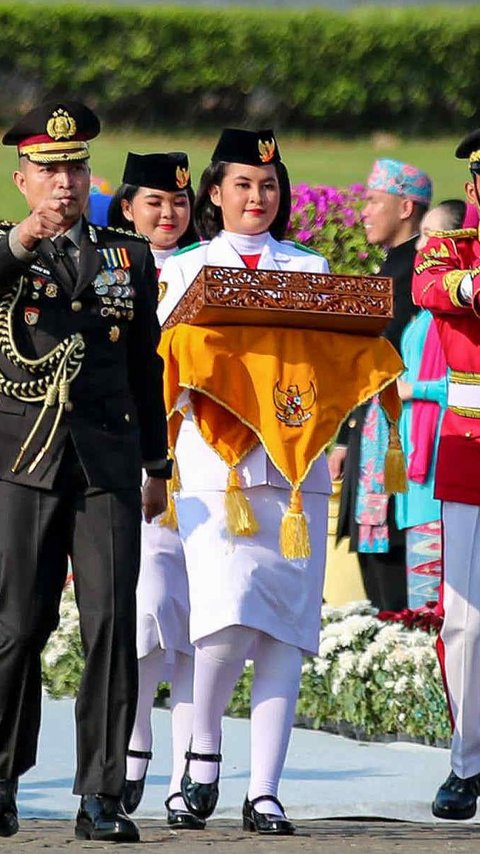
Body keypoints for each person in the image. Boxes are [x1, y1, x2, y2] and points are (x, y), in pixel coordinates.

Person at [0, 99, 171, 843]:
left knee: (110, 625)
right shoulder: (6, 251)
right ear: (21, 179)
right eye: (47, 169)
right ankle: (2, 778)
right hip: (22, 460)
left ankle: (101, 792)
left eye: (73, 167)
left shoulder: (126, 254)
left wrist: (158, 461)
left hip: (106, 459)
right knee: (16, 626)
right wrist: (19, 242)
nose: (63, 182)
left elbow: (144, 364)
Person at [159, 128, 332, 835]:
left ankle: (265, 791)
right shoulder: (186, 269)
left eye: (268, 184)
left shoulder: (312, 265)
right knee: (224, 621)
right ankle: (203, 749)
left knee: (285, 635)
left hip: (294, 471)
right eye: (241, 184)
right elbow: (163, 361)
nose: (257, 197)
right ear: (214, 193)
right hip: (215, 467)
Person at [108, 151, 203, 829]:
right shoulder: (107, 265)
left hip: (205, 461)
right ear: (126, 208)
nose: (167, 215)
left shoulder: (211, 267)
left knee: (198, 624)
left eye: (178, 203)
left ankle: (185, 774)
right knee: (143, 614)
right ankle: (134, 742)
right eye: (153, 203)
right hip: (134, 457)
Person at [412, 130, 480, 820]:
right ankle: (468, 763)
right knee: (466, 622)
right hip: (472, 454)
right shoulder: (453, 247)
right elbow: (430, 287)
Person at [329, 158, 432, 611]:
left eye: (373, 201)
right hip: (370, 438)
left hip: (400, 448)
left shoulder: (418, 276)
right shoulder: (391, 269)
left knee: (397, 591)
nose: (364, 212)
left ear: (406, 206)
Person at [396, 202, 465, 609]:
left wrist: (413, 389)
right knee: (420, 609)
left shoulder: (457, 313)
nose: (420, 246)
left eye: (429, 235)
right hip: (416, 466)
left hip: (443, 461)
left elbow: (465, 384)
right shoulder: (425, 309)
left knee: (442, 606)